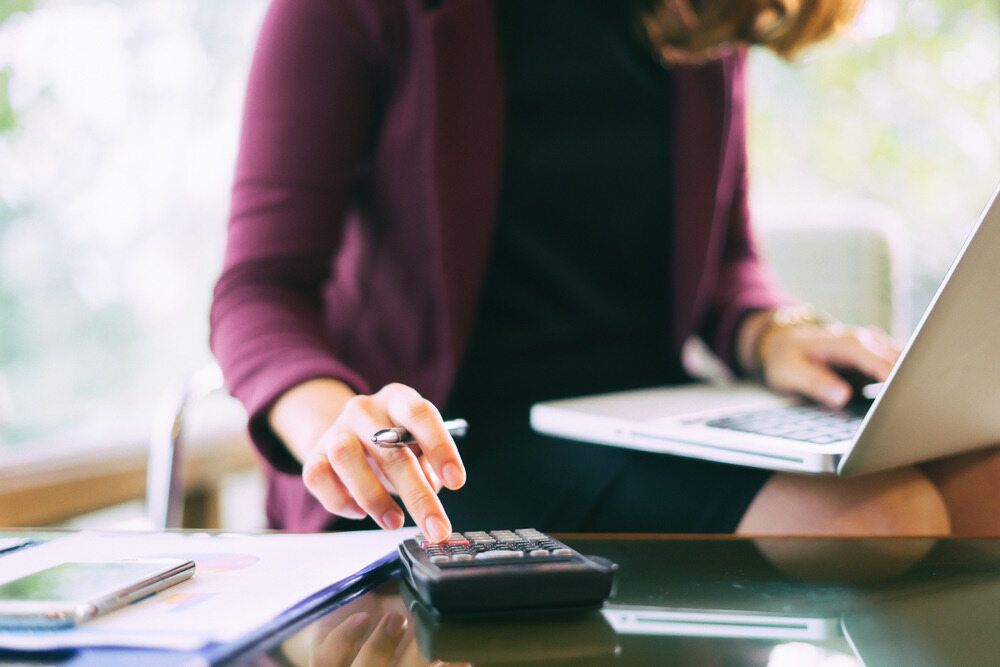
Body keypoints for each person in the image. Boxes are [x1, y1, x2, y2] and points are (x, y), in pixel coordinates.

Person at [211, 0, 999, 543]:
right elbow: (260, 291)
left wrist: (770, 331)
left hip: (643, 416)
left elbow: (724, 259)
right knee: (882, 518)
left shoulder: (692, 15)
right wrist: (339, 426)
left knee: (987, 478)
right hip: (449, 449)